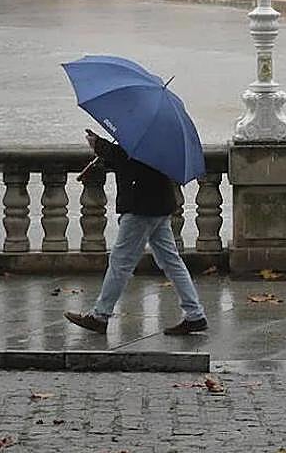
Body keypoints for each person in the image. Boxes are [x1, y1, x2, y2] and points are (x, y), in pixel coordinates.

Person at [65, 130, 208, 336]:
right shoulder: (161, 135)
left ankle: (100, 315)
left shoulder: (143, 134)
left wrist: (100, 146)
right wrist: (105, 153)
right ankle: (195, 314)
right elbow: (129, 161)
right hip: (159, 204)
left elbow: (132, 163)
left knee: (120, 262)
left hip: (141, 207)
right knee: (171, 262)